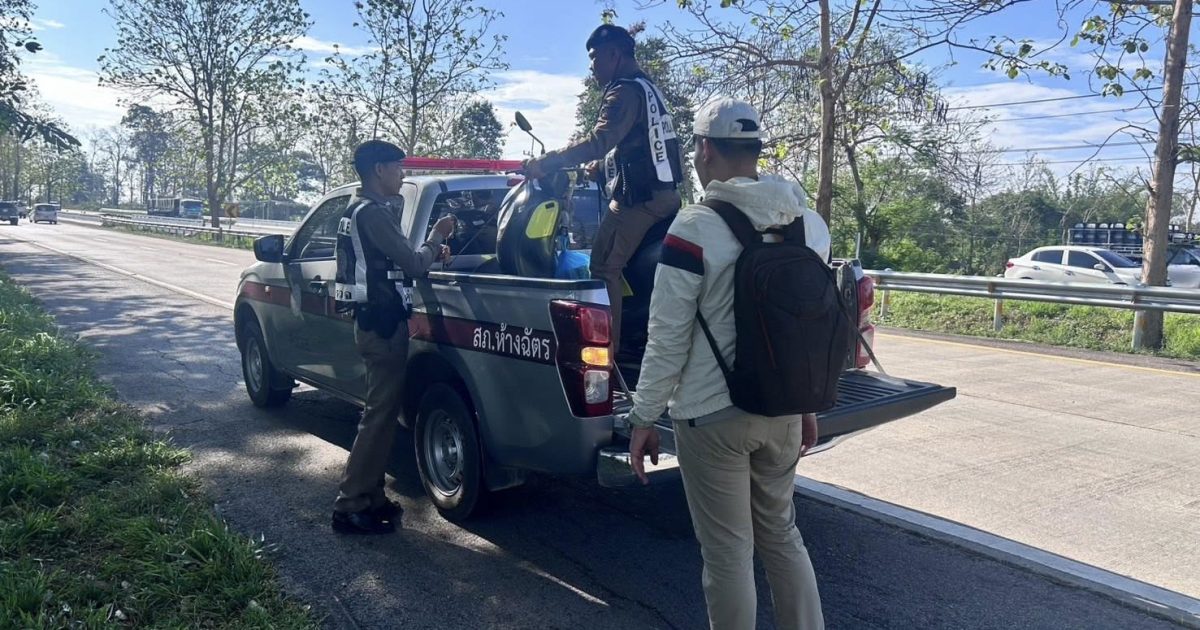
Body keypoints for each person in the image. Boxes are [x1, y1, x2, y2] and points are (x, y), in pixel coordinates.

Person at [626, 98, 830, 629]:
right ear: (756, 150)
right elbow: (807, 330)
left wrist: (644, 416)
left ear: (705, 149)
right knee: (782, 535)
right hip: (784, 409)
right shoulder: (810, 225)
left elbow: (667, 337)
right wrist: (806, 406)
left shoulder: (693, 228)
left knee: (728, 553)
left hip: (711, 415)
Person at [523, 24, 684, 353]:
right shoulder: (647, 87)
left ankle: (606, 355)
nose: (592, 66)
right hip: (665, 195)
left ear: (614, 55)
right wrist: (603, 167)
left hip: (641, 200)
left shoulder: (623, 91)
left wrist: (547, 162)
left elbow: (599, 140)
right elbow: (638, 143)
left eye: (595, 58)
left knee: (603, 266)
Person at [331, 139, 455, 535]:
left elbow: (393, 263)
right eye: (398, 167)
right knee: (379, 416)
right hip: (382, 327)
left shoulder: (362, 210)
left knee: (382, 416)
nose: (403, 174)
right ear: (379, 170)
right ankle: (350, 503)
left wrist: (431, 251)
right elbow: (414, 264)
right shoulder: (373, 214)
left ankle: (371, 496)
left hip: (377, 323)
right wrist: (436, 236)